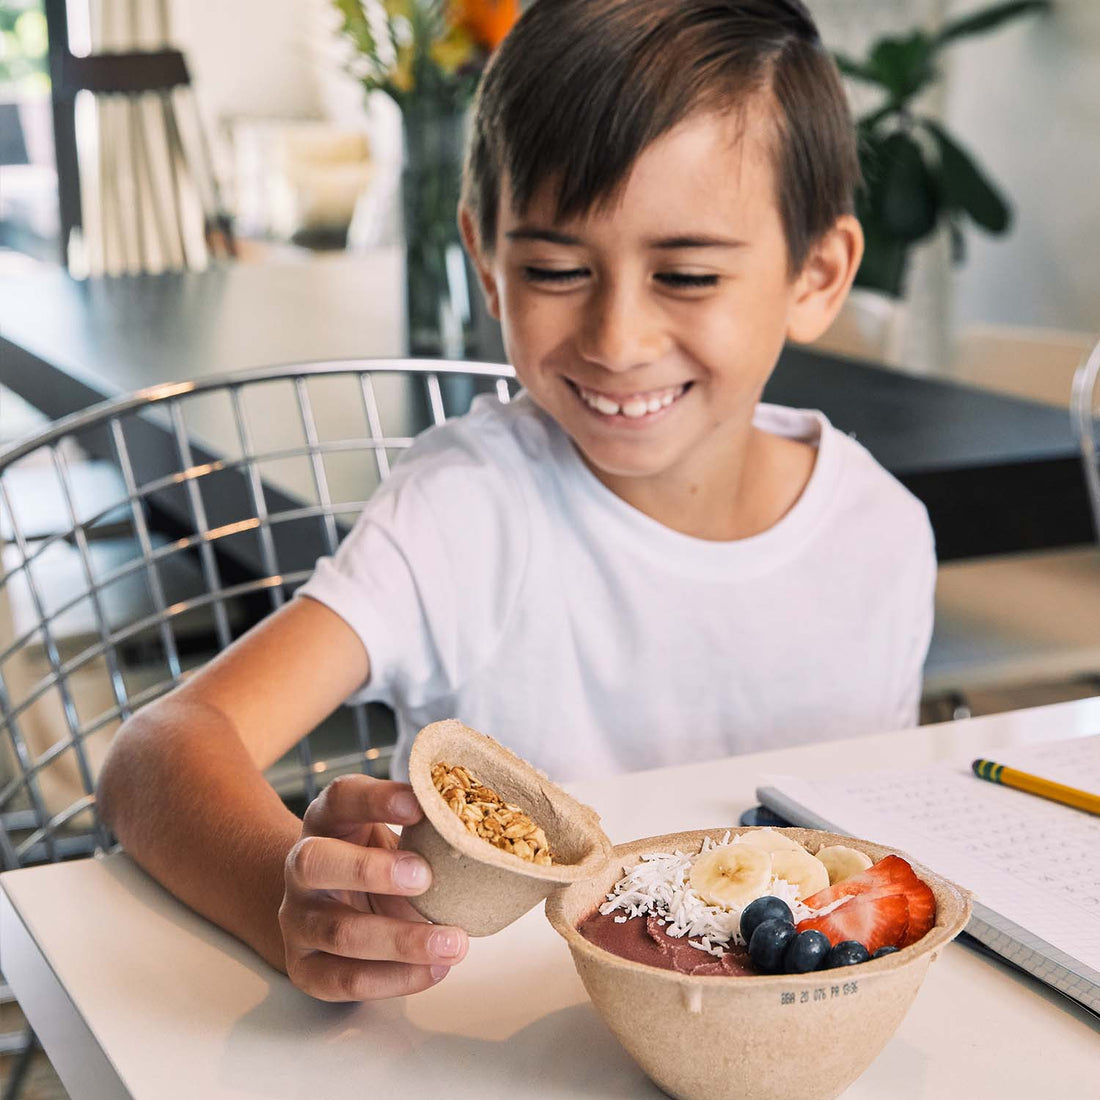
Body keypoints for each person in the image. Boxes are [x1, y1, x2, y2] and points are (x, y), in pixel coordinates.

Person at [97, 0, 935, 1005]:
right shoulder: (466, 512)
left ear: (817, 272)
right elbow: (156, 754)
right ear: (486, 264)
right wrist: (286, 897)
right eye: (552, 268)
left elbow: (852, 865)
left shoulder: (880, 536)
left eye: (685, 273)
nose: (616, 337)